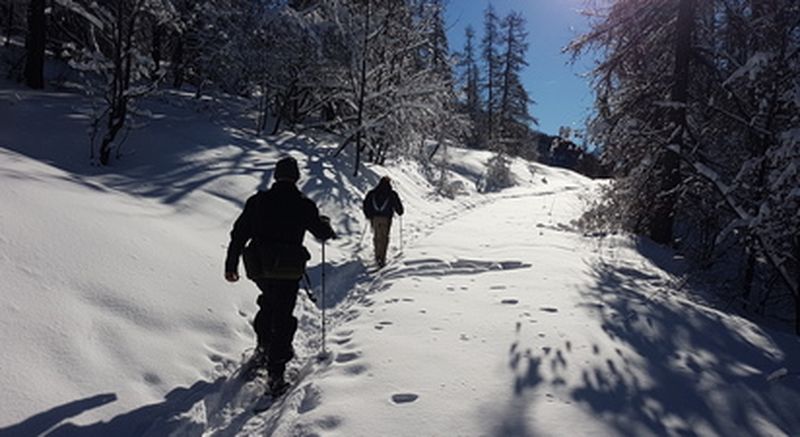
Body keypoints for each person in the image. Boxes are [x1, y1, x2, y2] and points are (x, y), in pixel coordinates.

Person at [224, 156, 335, 391]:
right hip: (288, 269)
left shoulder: (258, 201)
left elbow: (239, 233)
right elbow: (322, 233)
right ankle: (276, 373)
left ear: (276, 175)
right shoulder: (303, 204)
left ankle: (263, 348)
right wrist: (326, 224)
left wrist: (231, 265)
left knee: (268, 304)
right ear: (296, 177)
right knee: (283, 316)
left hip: (260, 268)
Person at [362, 176, 404, 267]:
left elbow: (366, 204)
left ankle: (377, 257)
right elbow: (398, 207)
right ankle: (382, 258)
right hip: (386, 218)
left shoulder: (372, 193)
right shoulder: (392, 194)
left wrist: (368, 215)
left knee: (377, 236)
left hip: (375, 218)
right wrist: (400, 212)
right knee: (384, 238)